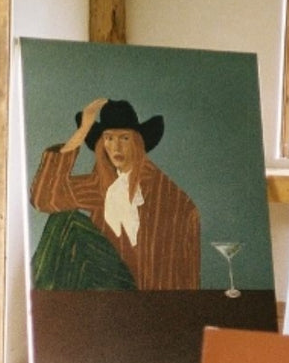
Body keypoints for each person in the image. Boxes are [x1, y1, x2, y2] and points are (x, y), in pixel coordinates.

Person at [29, 97, 200, 291]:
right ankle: (40, 301)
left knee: (68, 223)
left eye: (124, 138)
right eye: (109, 138)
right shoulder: (100, 185)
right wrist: (81, 132)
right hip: (102, 291)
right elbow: (43, 199)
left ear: (137, 143)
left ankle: (40, 300)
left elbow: (186, 274)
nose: (116, 147)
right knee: (62, 220)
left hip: (147, 295)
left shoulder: (171, 199)